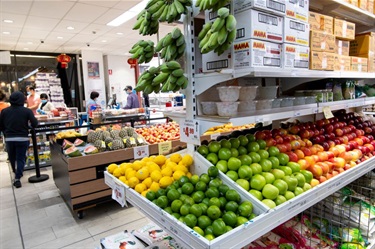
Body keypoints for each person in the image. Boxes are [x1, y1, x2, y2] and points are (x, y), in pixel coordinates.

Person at [0, 91, 38, 188]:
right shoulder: (26, 111)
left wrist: (6, 132)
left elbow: (1, 125)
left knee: (12, 157)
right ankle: (17, 177)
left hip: (9, 139)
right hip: (22, 138)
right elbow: (35, 124)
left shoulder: (4, 111)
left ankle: (15, 171)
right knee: (21, 158)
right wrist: (28, 126)